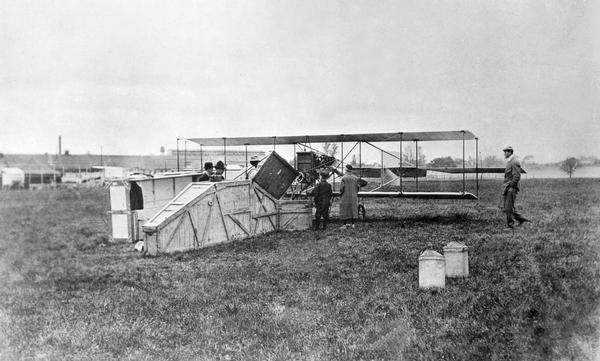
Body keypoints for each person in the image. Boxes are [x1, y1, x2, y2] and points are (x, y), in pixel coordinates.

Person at [502, 146, 529, 228]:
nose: (504, 153)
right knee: (509, 207)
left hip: (511, 188)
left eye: (505, 152)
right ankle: (521, 219)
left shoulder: (514, 161)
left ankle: (511, 225)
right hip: (508, 187)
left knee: (508, 208)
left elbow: (516, 176)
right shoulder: (510, 161)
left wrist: (511, 187)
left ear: (510, 152)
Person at [339, 164, 366, 228]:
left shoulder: (343, 178)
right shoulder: (355, 178)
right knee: (353, 209)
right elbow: (358, 187)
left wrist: (341, 193)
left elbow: (341, 188)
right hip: (353, 196)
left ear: (346, 170)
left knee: (345, 209)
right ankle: (353, 224)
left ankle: (344, 224)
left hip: (345, 196)